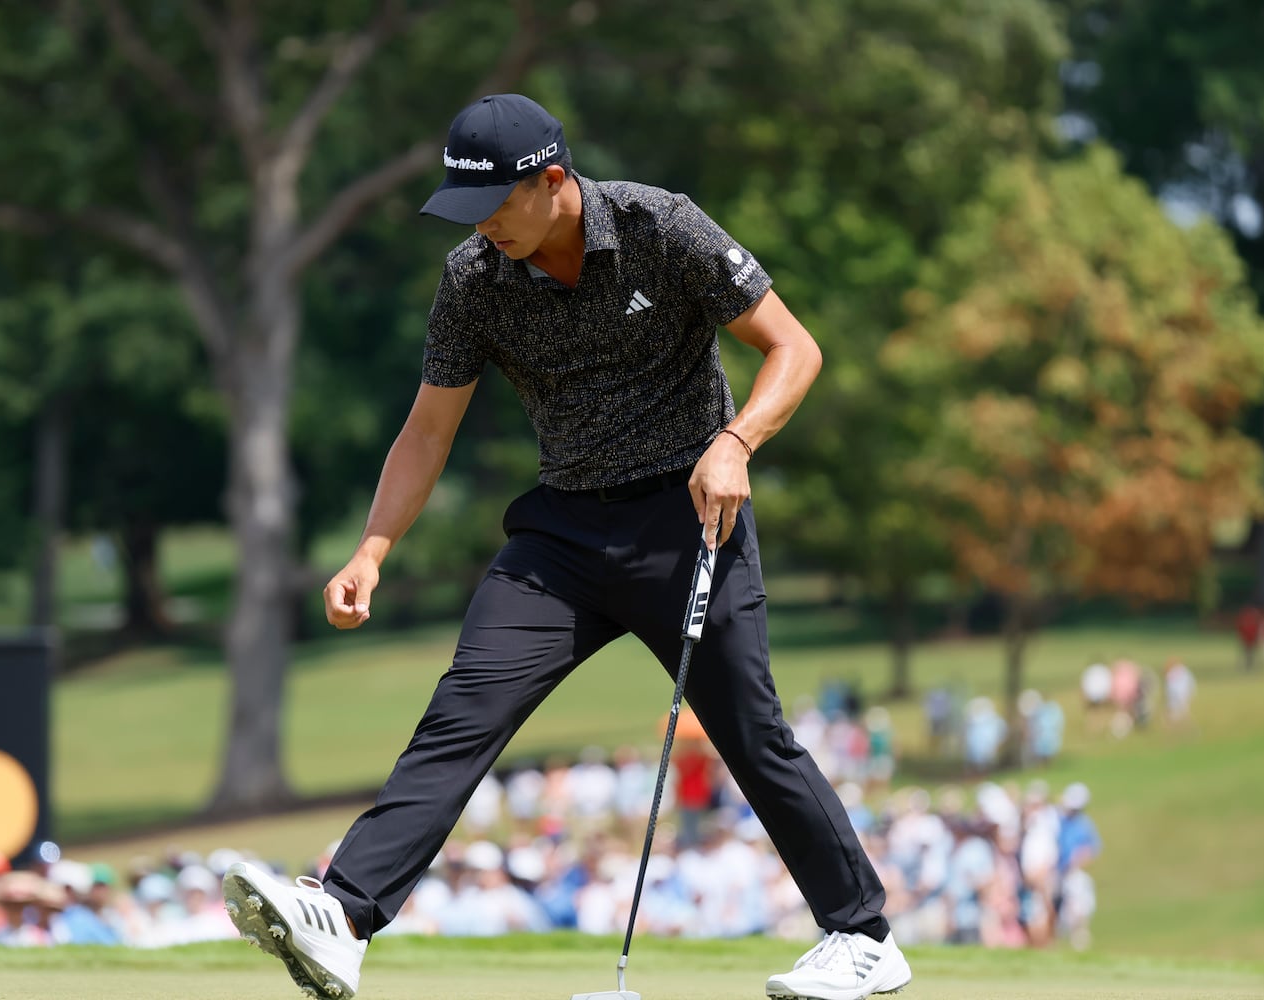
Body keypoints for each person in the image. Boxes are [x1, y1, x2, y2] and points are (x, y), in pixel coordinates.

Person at [223, 93, 911, 1000]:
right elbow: (428, 431)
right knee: (464, 709)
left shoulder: (662, 227)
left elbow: (794, 348)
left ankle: (862, 937)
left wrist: (736, 443)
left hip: (688, 516)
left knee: (750, 732)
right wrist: (372, 549)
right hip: (565, 535)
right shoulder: (474, 277)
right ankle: (346, 916)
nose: (482, 230)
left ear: (553, 181)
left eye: (495, 205)